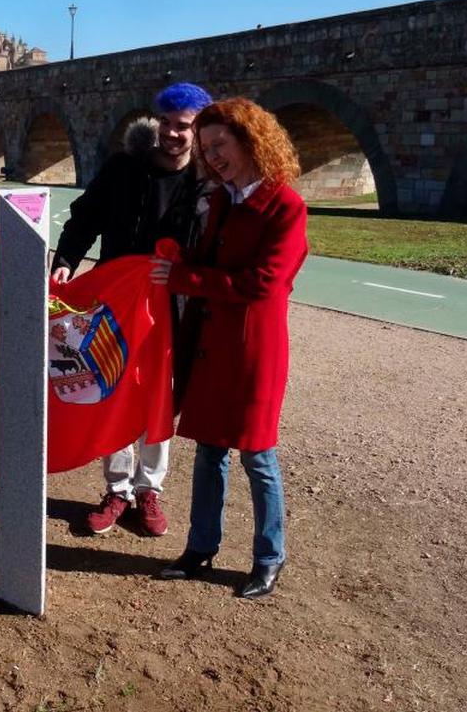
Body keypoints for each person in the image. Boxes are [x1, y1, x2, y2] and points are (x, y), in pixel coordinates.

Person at [149, 97, 308, 599]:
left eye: (220, 144)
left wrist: (186, 276)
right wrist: (177, 262)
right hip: (210, 346)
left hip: (253, 351)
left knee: (257, 456)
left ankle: (269, 557)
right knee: (208, 453)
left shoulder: (285, 205)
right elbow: (206, 264)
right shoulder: (221, 199)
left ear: (250, 140)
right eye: (206, 147)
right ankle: (200, 548)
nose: (212, 156)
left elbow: (264, 283)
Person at [50, 82, 213, 537]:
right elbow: (86, 216)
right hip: (116, 301)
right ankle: (117, 488)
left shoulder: (206, 182)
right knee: (115, 386)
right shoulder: (124, 168)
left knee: (161, 395)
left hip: (175, 305)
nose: (172, 133)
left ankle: (149, 489)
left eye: (183, 126)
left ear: (197, 130)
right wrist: (65, 260)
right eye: (166, 122)